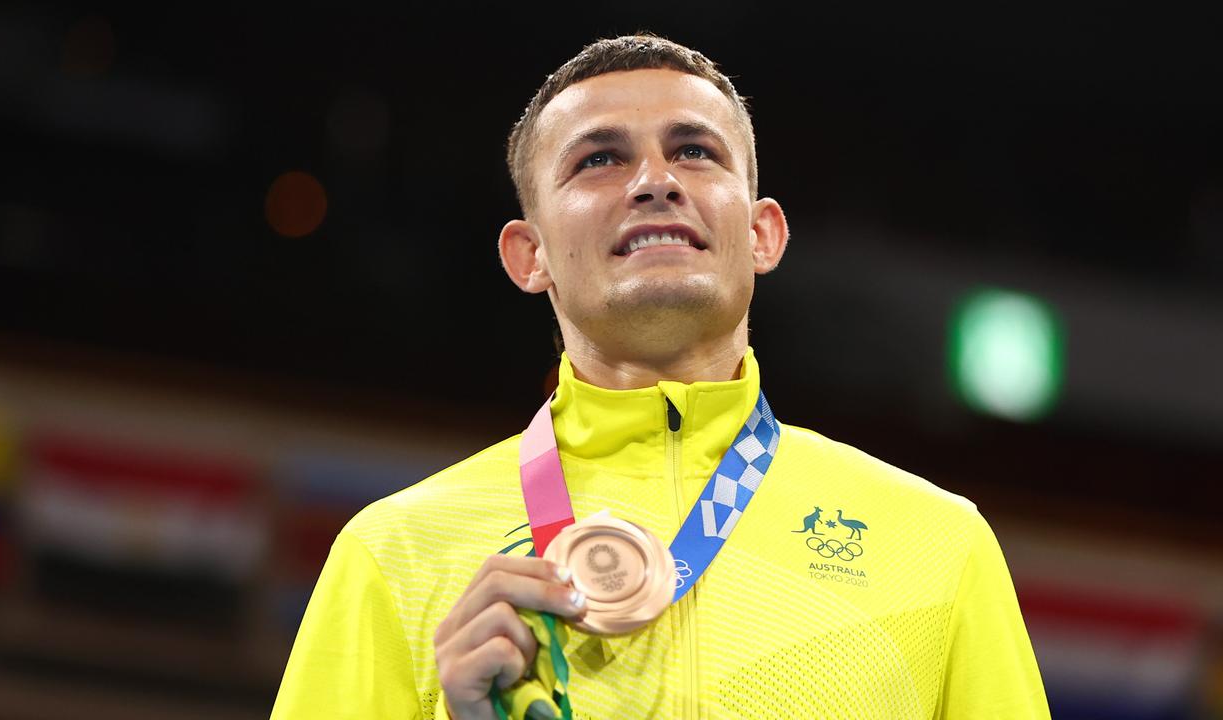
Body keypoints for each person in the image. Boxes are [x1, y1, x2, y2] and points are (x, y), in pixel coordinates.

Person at [271, 34, 1050, 720]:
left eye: (695, 151)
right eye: (599, 159)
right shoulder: (394, 551)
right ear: (528, 255)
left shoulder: (940, 545)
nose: (654, 180)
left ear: (761, 232)